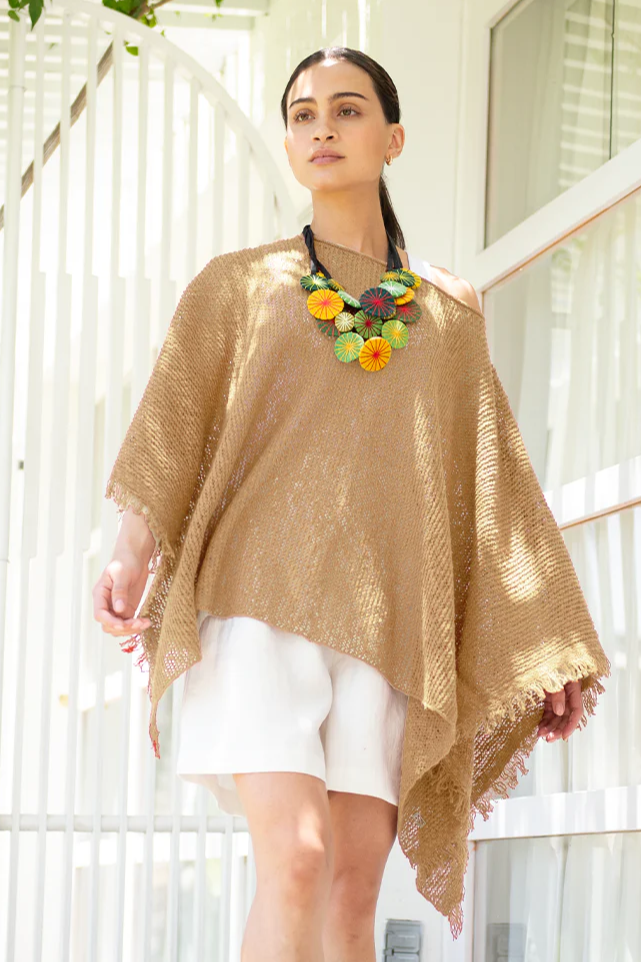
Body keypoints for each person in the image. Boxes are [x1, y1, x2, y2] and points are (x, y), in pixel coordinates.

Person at [92, 47, 610, 961]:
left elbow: (492, 482)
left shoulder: (448, 310)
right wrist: (130, 553)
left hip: (386, 629)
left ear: (392, 137)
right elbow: (174, 425)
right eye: (302, 114)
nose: (321, 127)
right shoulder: (237, 285)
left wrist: (545, 647)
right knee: (296, 860)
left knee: (351, 892)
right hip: (253, 607)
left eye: (346, 108)